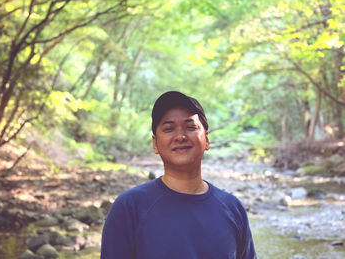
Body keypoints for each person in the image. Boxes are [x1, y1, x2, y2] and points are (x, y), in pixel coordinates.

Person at [101, 91, 257, 259]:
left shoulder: (233, 208)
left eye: (191, 127)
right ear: (155, 144)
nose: (180, 136)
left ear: (207, 139)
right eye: (168, 129)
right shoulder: (129, 207)